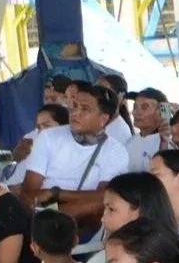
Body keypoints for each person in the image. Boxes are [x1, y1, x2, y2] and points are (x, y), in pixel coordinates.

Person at [18, 87, 124, 238]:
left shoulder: (116, 151)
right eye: (74, 106)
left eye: (84, 109)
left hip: (82, 222)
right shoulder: (48, 137)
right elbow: (29, 192)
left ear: (103, 119)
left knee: (97, 205)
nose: (74, 113)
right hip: (42, 210)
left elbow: (104, 197)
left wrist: (56, 193)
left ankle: (52, 231)